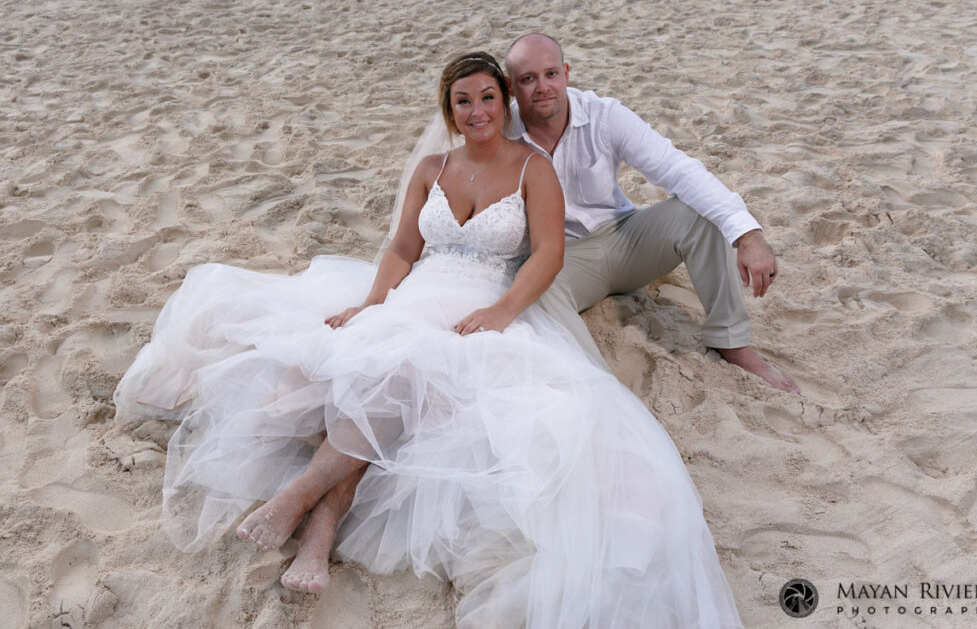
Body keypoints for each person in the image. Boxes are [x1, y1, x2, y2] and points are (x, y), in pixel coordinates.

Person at [114, 52, 744, 628]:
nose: (477, 111)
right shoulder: (431, 168)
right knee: (373, 362)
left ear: (506, 104)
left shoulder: (534, 168)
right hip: (418, 293)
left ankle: (302, 499)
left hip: (478, 300)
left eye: (488, 99)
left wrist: (501, 312)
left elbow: (548, 255)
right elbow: (401, 248)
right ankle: (319, 522)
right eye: (463, 101)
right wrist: (370, 302)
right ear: (449, 109)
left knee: (404, 372)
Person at [504, 33, 800, 394]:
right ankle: (597, 383)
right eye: (528, 79)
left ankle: (732, 341)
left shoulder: (604, 115)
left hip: (627, 240)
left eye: (551, 74)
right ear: (511, 86)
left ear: (566, 73)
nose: (542, 87)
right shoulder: (501, 133)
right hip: (564, 260)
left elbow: (677, 169)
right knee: (533, 284)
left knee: (698, 212)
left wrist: (748, 236)